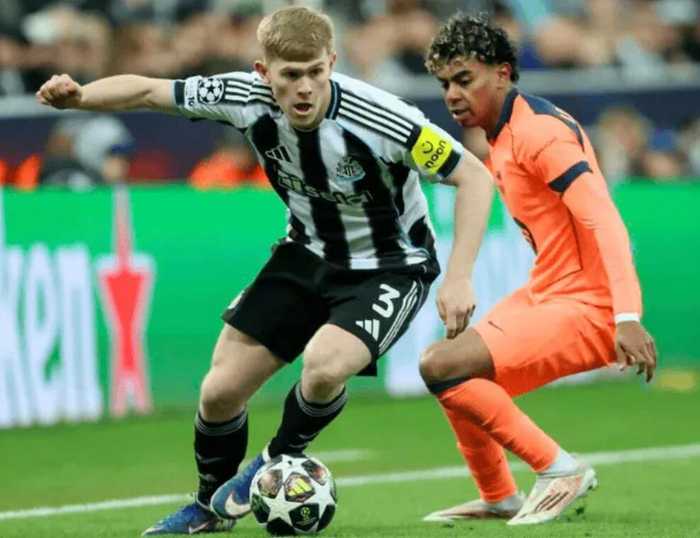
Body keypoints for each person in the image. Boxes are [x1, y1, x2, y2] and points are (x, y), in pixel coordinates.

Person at [37, 6, 493, 535]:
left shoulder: (381, 118)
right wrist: (81, 97)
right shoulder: (241, 96)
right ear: (263, 72)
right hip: (307, 253)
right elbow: (147, 91)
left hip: (391, 267)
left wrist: (459, 276)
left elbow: (474, 176)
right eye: (290, 75)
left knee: (324, 366)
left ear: (332, 62)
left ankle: (274, 459)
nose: (305, 88)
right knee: (219, 391)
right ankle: (209, 509)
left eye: (316, 72)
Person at [419, 12, 657, 526]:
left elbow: (605, 220)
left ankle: (559, 469)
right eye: (445, 84)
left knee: (443, 366)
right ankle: (499, 496)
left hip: (589, 305)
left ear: (502, 73)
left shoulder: (539, 134)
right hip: (550, 291)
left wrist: (626, 316)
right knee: (447, 365)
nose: (453, 95)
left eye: (464, 79)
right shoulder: (502, 132)